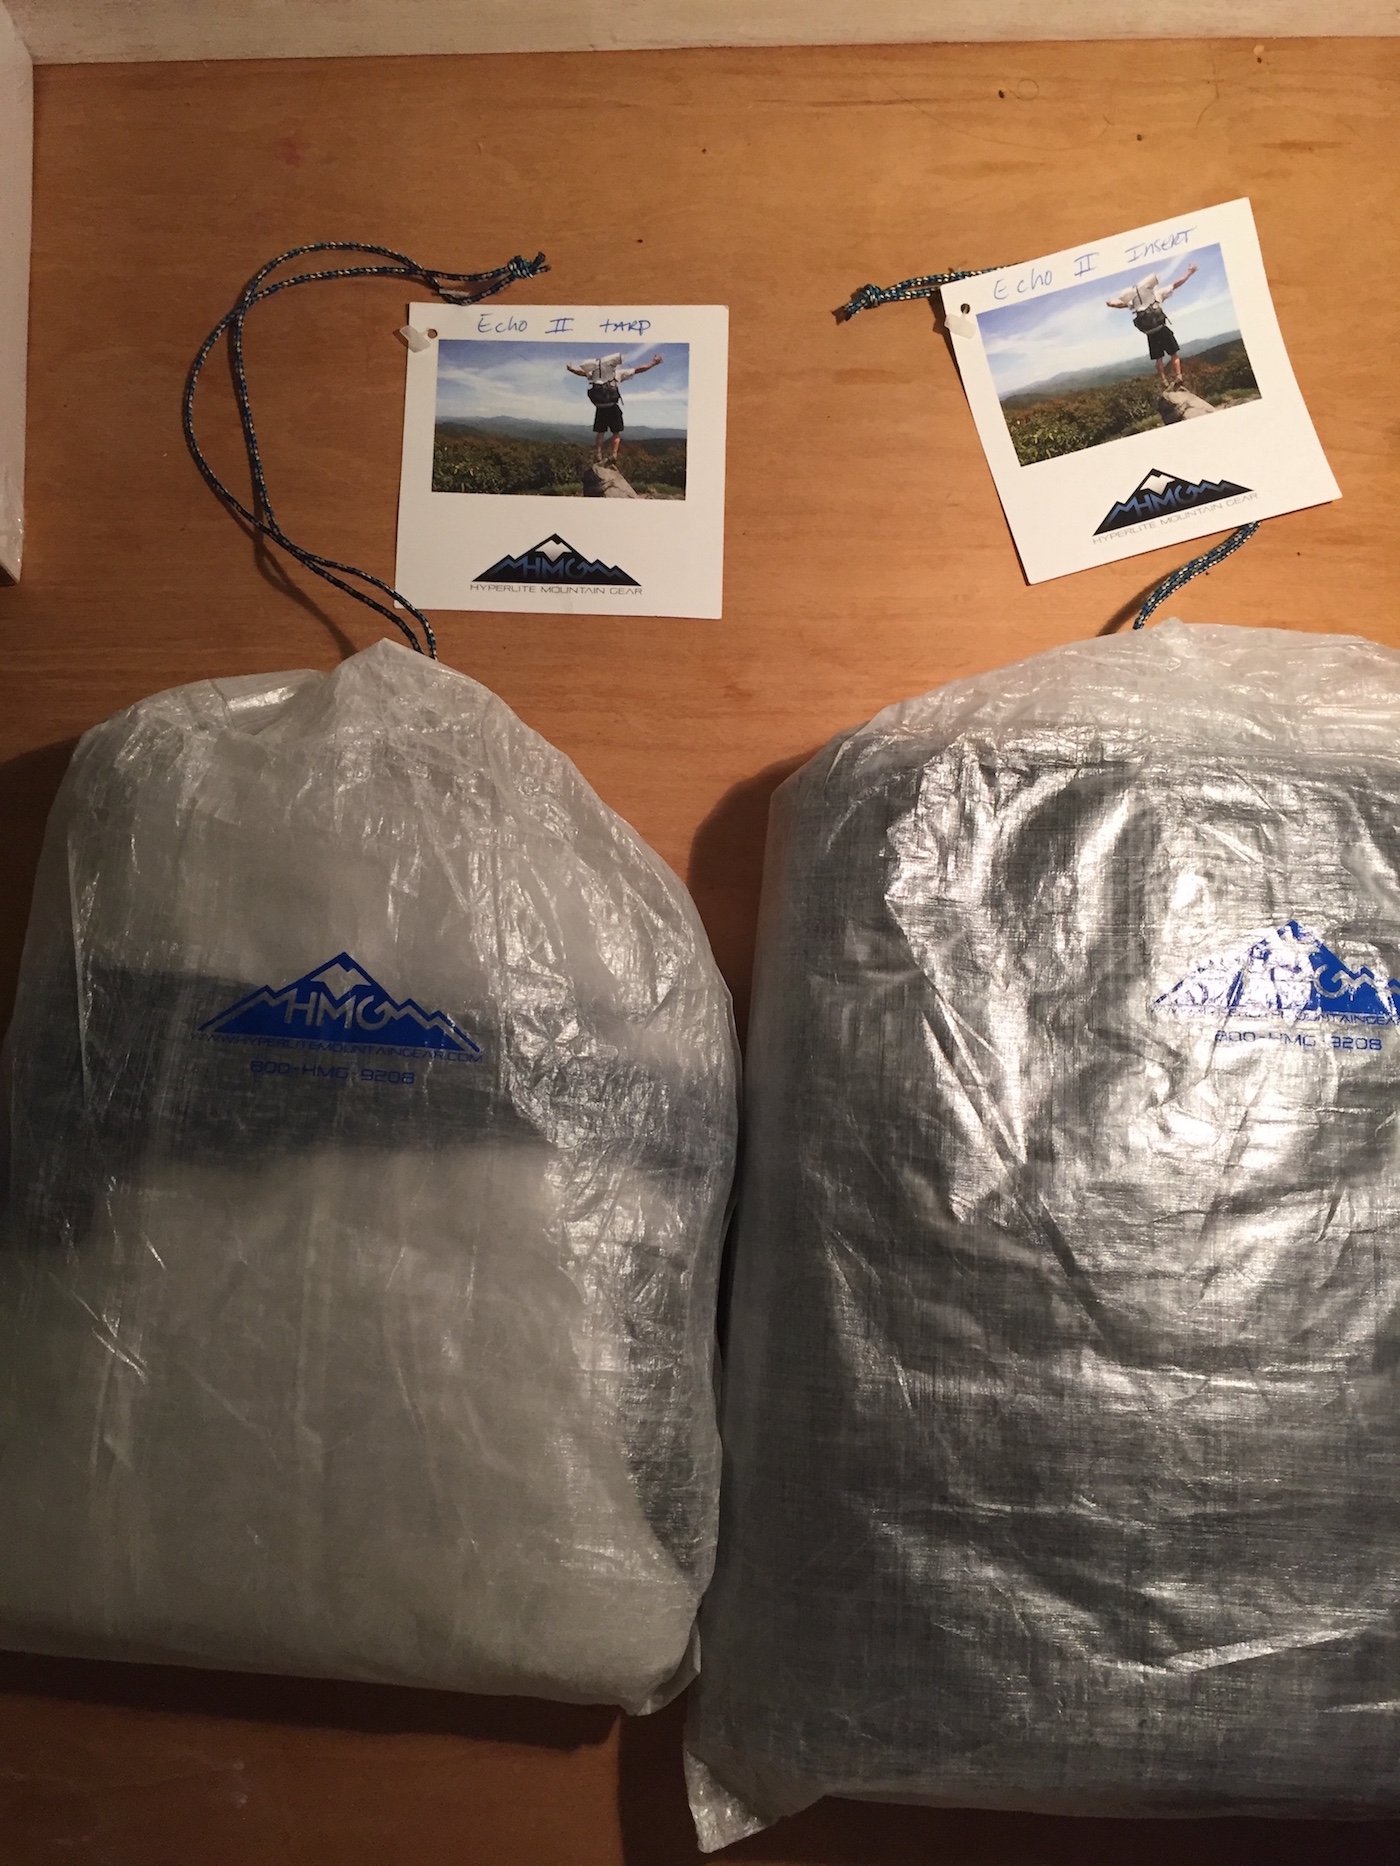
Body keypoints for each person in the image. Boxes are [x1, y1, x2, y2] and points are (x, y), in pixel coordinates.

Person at [1106, 263, 1198, 391]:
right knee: (1173, 354)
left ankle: (1164, 381)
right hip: (1162, 329)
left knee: (1158, 358)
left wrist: (1110, 304)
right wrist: (1189, 272)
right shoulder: (1157, 293)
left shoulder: (1134, 301)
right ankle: (1178, 376)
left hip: (1150, 333)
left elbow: (1120, 304)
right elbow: (1176, 284)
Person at [566, 351, 664, 465]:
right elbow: (639, 369)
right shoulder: (618, 373)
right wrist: (653, 363)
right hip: (613, 407)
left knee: (600, 432)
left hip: (600, 407)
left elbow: (581, 373)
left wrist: (571, 369)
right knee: (616, 433)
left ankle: (598, 453)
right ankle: (614, 454)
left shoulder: (595, 373)